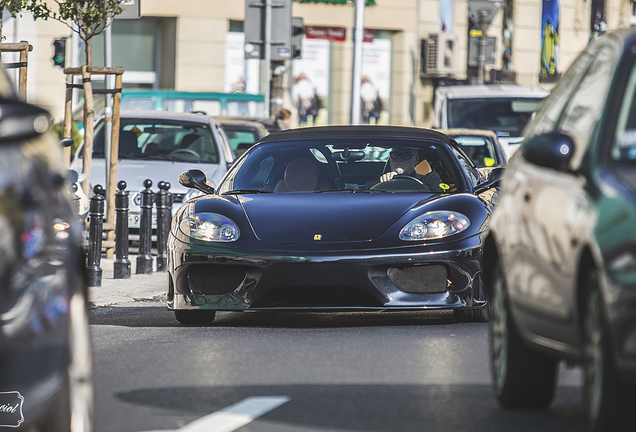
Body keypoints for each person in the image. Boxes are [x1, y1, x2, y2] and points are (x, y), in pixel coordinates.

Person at [377, 148, 444, 192]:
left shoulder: (429, 179)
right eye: (395, 154)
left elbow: (437, 200)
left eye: (406, 155)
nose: (399, 159)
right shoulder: (379, 180)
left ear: (416, 159)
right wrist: (385, 183)